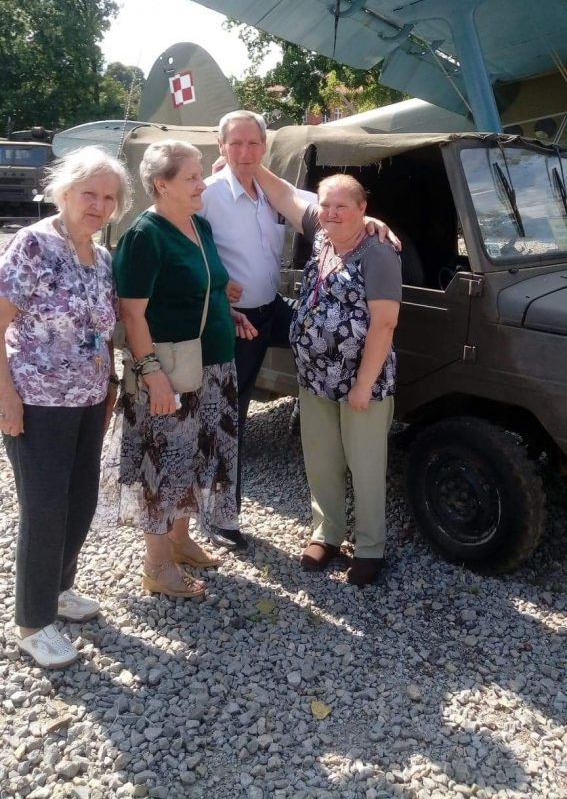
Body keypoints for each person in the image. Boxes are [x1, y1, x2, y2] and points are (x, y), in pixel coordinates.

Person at [200, 110, 400, 550]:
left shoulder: (272, 194)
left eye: (254, 143)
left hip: (272, 310)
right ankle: (220, 515)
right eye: (236, 144)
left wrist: (371, 223)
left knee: (325, 355)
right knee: (228, 414)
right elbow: (176, 237)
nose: (245, 152)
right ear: (221, 147)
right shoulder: (208, 194)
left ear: (264, 147)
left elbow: (318, 204)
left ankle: (361, 536)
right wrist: (212, 283)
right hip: (236, 319)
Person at [0, 146, 132, 669]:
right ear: (64, 192)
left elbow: (103, 330)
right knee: (45, 508)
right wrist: (6, 397)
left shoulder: (101, 256)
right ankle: (32, 623)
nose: (99, 206)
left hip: (89, 398)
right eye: (89, 194)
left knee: (80, 501)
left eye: (109, 198)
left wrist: (111, 383)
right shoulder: (33, 245)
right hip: (37, 401)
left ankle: (58, 590)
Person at [112, 140, 257, 599]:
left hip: (213, 365)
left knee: (196, 457)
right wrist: (152, 373)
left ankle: (179, 541)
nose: (202, 184)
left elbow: (207, 286)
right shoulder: (145, 236)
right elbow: (132, 314)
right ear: (162, 185)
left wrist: (228, 313)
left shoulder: (199, 225)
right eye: (192, 177)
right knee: (165, 462)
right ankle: (157, 566)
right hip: (170, 370)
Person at [254, 167, 402, 586]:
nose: (332, 213)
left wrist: (363, 384)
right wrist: (244, 161)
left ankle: (370, 547)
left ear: (362, 209)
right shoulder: (322, 235)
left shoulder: (378, 252)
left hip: (361, 381)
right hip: (315, 376)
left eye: (343, 206)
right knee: (321, 458)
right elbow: (284, 194)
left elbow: (385, 323)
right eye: (326, 205)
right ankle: (327, 533)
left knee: (365, 464)